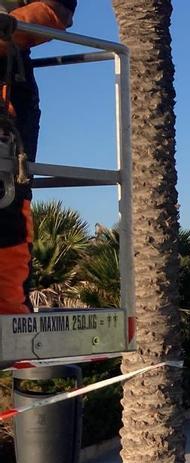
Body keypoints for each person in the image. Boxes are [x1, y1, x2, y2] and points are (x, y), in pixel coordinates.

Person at [0, 1, 76, 315]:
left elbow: (55, 10)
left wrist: (6, 28)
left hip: (7, 85)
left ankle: (9, 309)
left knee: (7, 197)